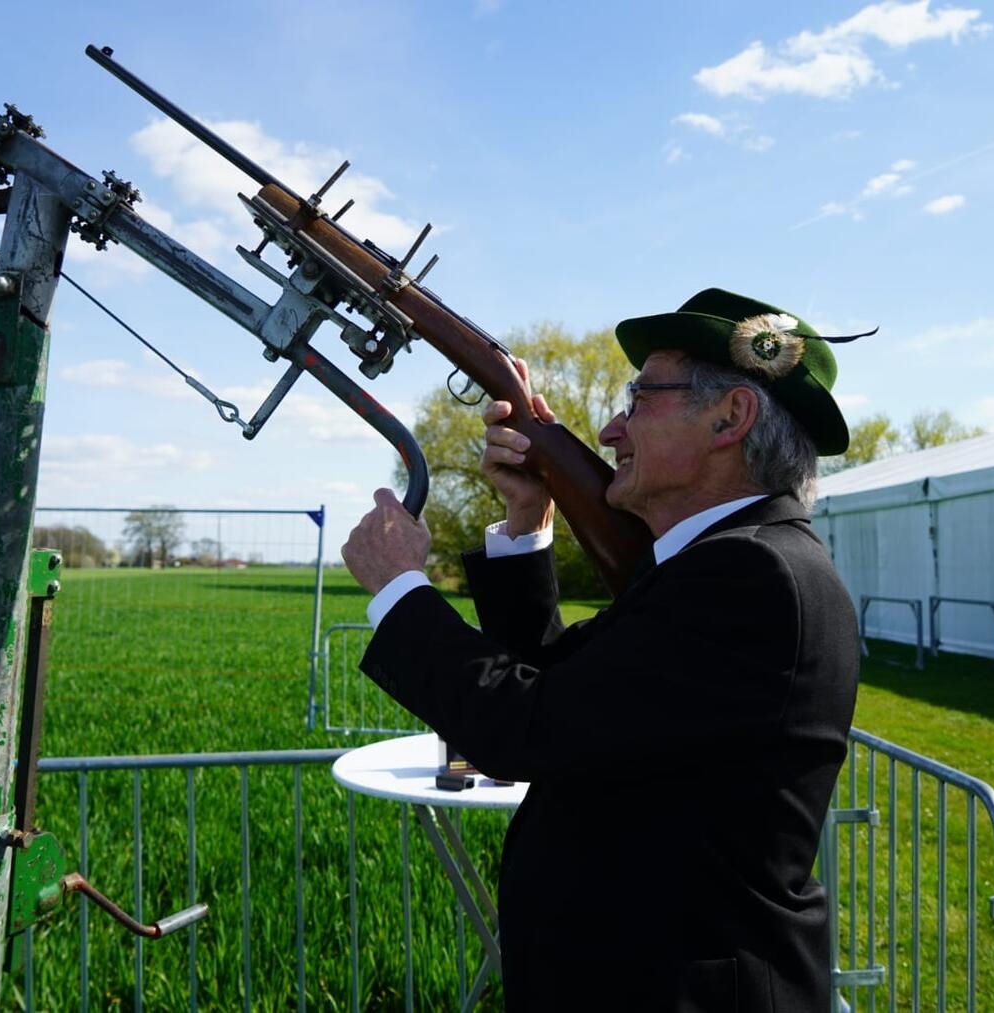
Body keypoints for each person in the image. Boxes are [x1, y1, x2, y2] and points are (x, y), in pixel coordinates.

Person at [341, 288, 863, 1011]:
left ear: (730, 416)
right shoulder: (725, 566)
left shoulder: (753, 574)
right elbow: (561, 692)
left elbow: (525, 727)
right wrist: (525, 524)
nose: (613, 427)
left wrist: (399, 589)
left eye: (640, 397)